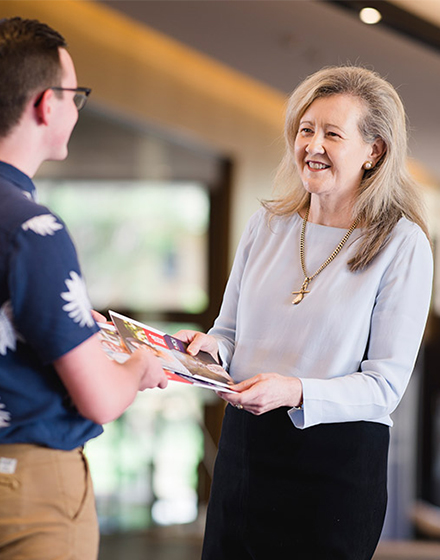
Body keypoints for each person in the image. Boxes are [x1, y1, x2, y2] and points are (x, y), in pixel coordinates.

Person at [177, 65, 433, 559]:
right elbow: (228, 332)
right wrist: (208, 349)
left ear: (373, 151)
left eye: (332, 134)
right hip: (246, 452)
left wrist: (293, 390)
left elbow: (385, 386)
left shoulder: (403, 244)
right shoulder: (266, 225)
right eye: (305, 129)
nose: (312, 145)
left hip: (333, 468)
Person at [0, 17, 168, 560]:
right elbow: (98, 399)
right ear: (47, 105)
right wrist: (138, 365)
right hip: (27, 487)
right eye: (75, 95)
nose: (75, 108)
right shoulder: (33, 231)